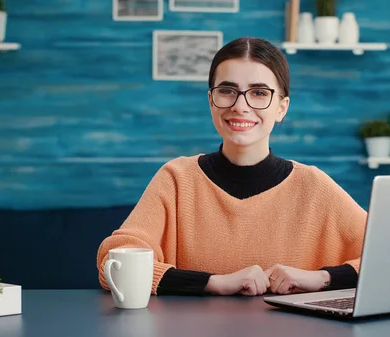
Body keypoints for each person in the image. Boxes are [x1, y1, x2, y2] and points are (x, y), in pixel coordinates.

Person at [97, 36, 367, 297]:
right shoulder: (176, 180)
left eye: (259, 93)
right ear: (210, 100)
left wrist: (321, 278)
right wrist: (214, 283)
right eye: (227, 91)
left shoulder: (314, 187)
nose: (240, 106)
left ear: (282, 108)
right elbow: (114, 262)